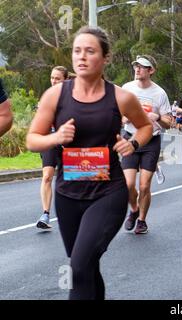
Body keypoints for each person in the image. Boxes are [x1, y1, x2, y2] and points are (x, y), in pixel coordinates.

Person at [26, 26, 153, 299]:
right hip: (68, 194)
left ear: (105, 58)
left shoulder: (121, 97)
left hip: (107, 192)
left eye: (90, 51)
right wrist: (56, 137)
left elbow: (145, 127)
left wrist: (132, 144)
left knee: (78, 266)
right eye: (77, 51)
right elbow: (32, 139)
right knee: (86, 267)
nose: (81, 57)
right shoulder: (55, 95)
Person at [122, 54, 173, 234]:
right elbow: (117, 112)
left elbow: (169, 122)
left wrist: (157, 116)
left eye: (142, 67)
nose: (137, 69)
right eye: (136, 66)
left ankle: (142, 221)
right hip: (130, 138)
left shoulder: (159, 93)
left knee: (144, 185)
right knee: (128, 184)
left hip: (151, 141)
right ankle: (134, 211)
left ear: (151, 70)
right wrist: (123, 118)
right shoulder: (127, 88)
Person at [36, 66, 69, 229]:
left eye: (57, 78)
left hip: (69, 144)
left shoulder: (72, 98)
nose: (54, 81)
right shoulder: (46, 98)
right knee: (47, 175)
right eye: (52, 78)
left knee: (68, 179)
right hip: (49, 140)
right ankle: (45, 214)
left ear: (65, 80)